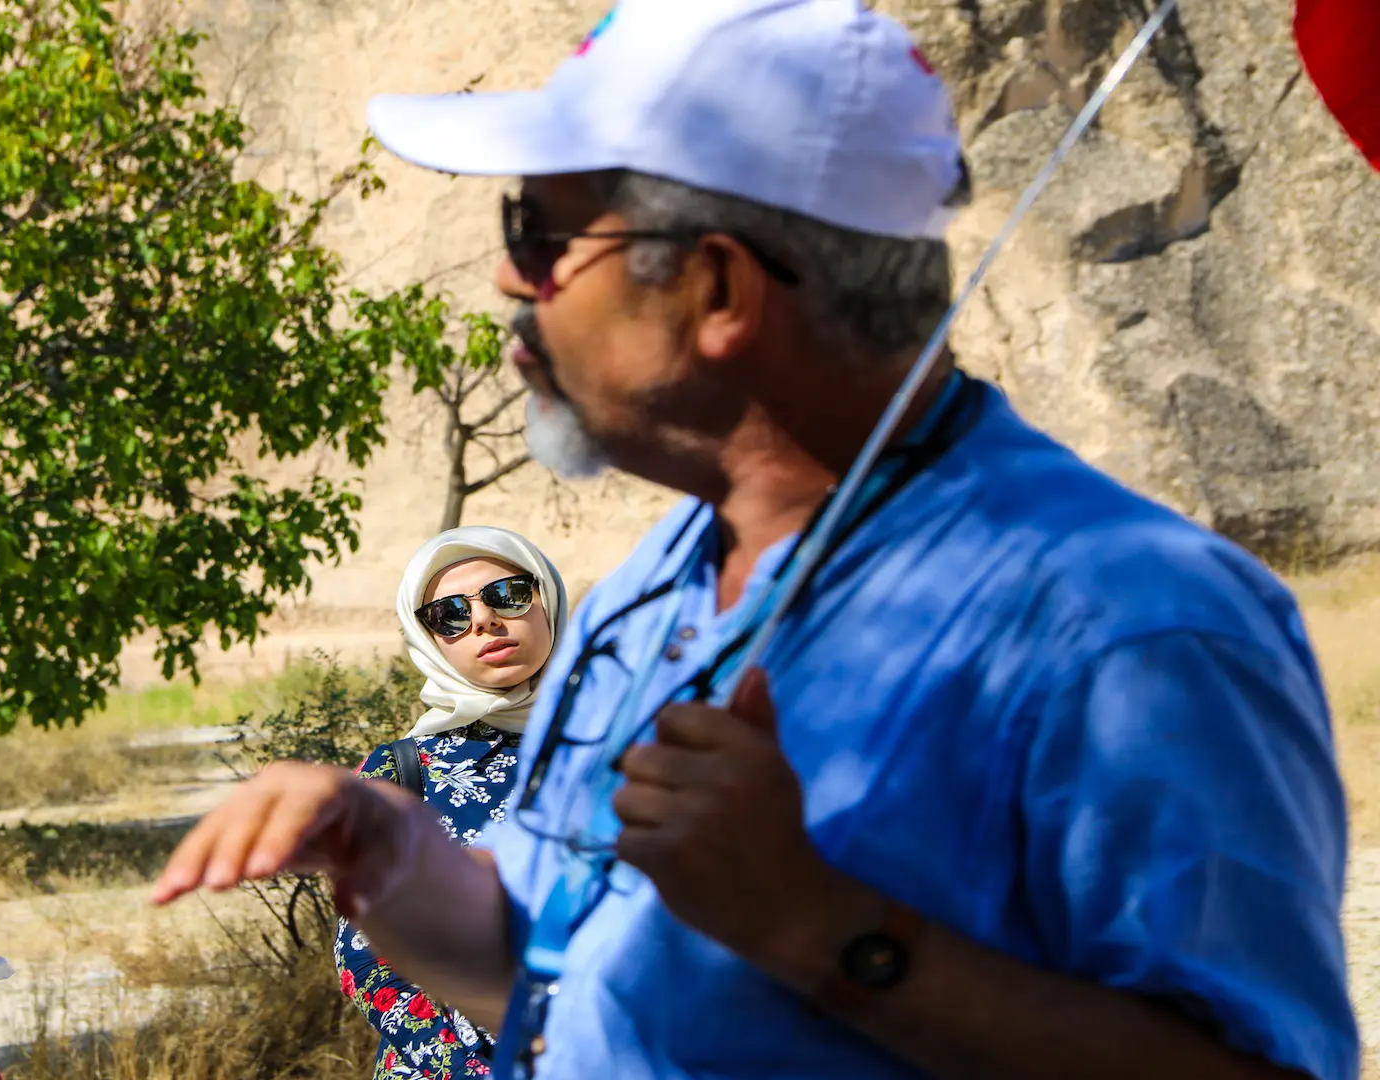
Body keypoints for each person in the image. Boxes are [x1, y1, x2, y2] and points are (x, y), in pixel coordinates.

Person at [153, 2, 1359, 1079]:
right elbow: (545, 964)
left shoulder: (1130, 625)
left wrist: (813, 928)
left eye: (539, 235)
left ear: (719, 291)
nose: (510, 288)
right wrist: (395, 854)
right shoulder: (653, 582)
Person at [335, 527, 569, 1079]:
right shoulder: (397, 772)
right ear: (430, 640)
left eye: (507, 596)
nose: (485, 621)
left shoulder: (619, 744)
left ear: (548, 601)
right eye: (450, 615)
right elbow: (365, 958)